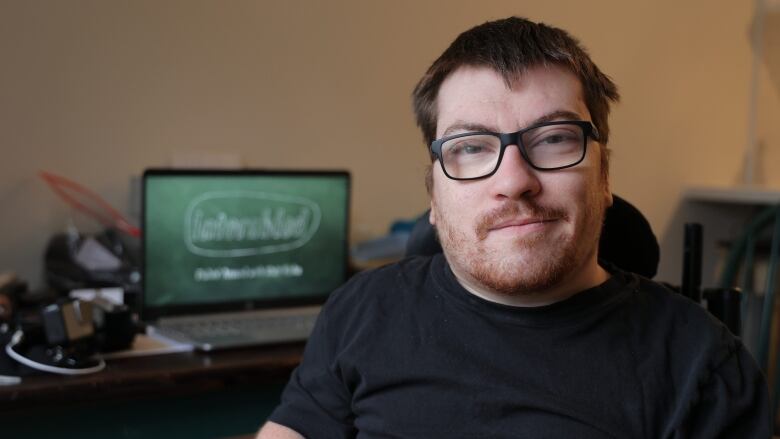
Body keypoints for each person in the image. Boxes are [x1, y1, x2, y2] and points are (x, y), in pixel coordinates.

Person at [258, 17, 771, 438]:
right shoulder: (360, 311)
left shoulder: (701, 365)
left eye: (553, 138)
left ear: (605, 175)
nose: (514, 180)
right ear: (433, 196)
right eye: (471, 147)